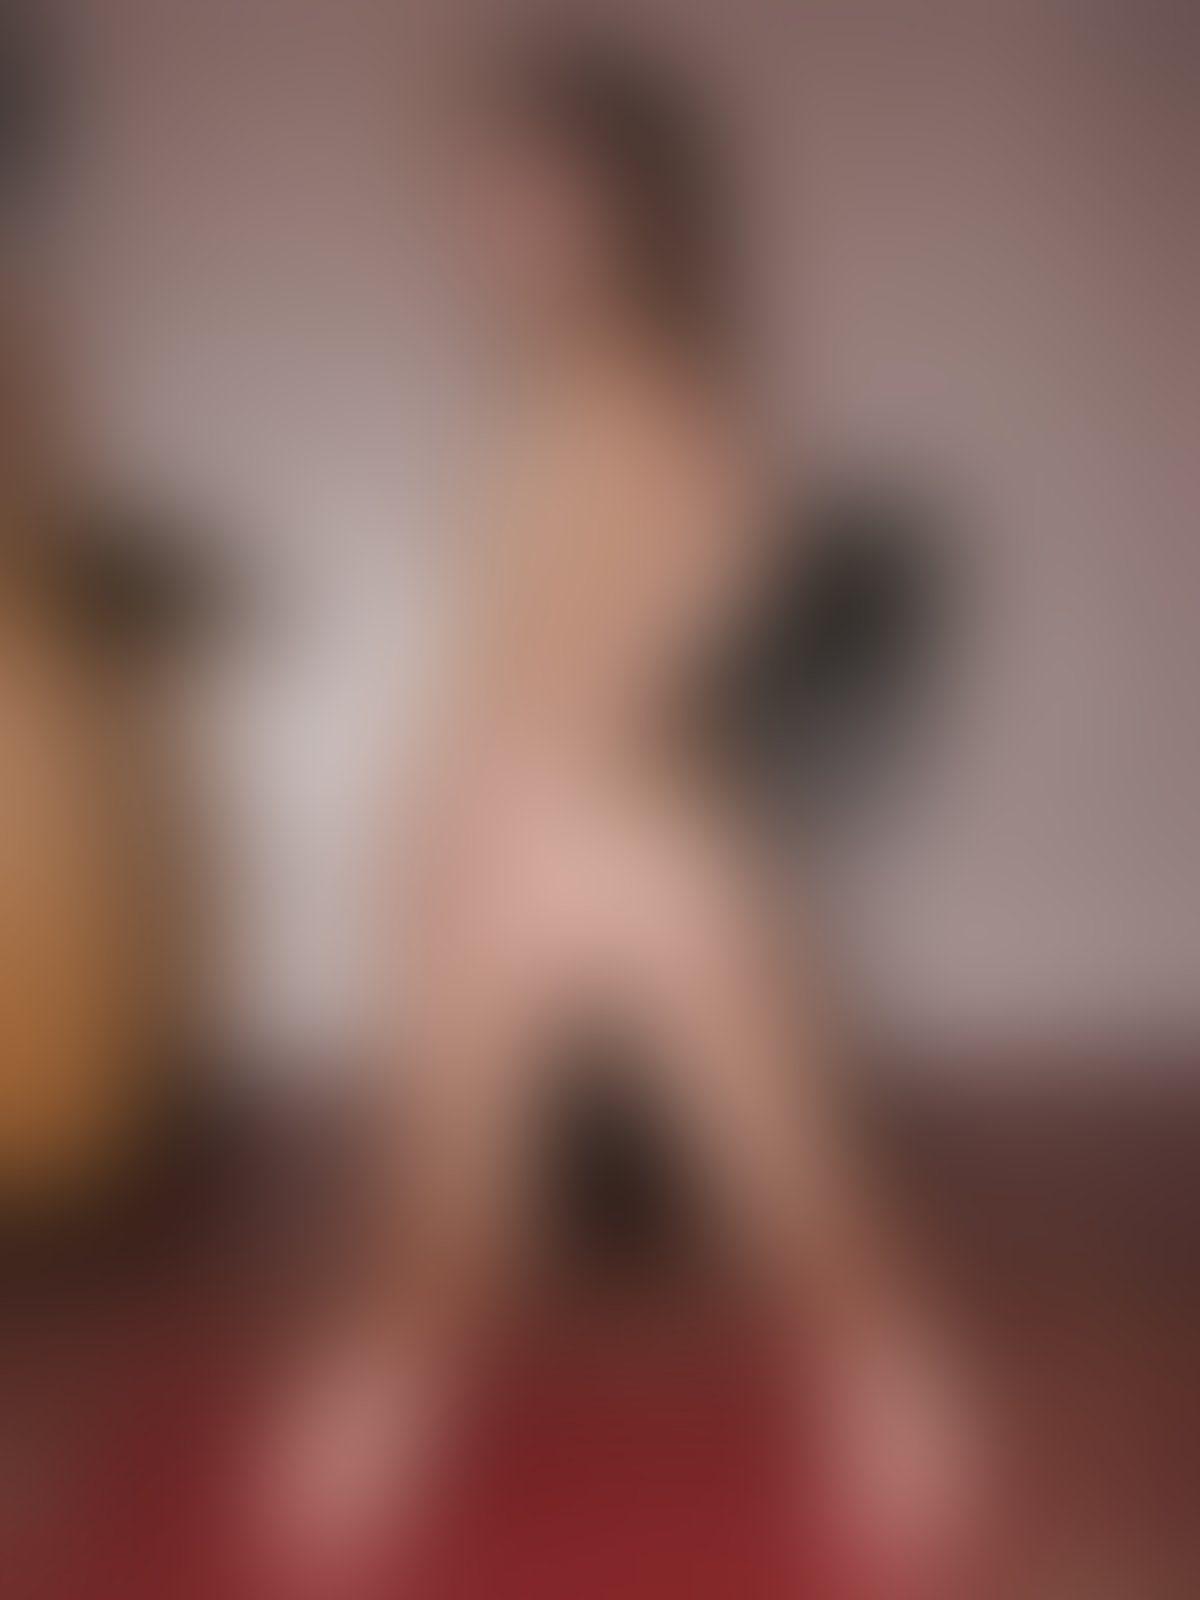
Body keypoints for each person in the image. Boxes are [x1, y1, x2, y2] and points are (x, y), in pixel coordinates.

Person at [259, 38, 977, 1595]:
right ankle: (372, 1436)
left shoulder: (626, 372)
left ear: (614, 200)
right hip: (565, 843)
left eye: (512, 185)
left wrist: (524, 759)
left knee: (760, 1188)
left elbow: (727, 528)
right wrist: (455, 794)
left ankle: (367, 1443)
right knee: (469, 1203)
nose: (473, 218)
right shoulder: (582, 377)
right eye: (471, 189)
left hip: (603, 837)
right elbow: (552, 611)